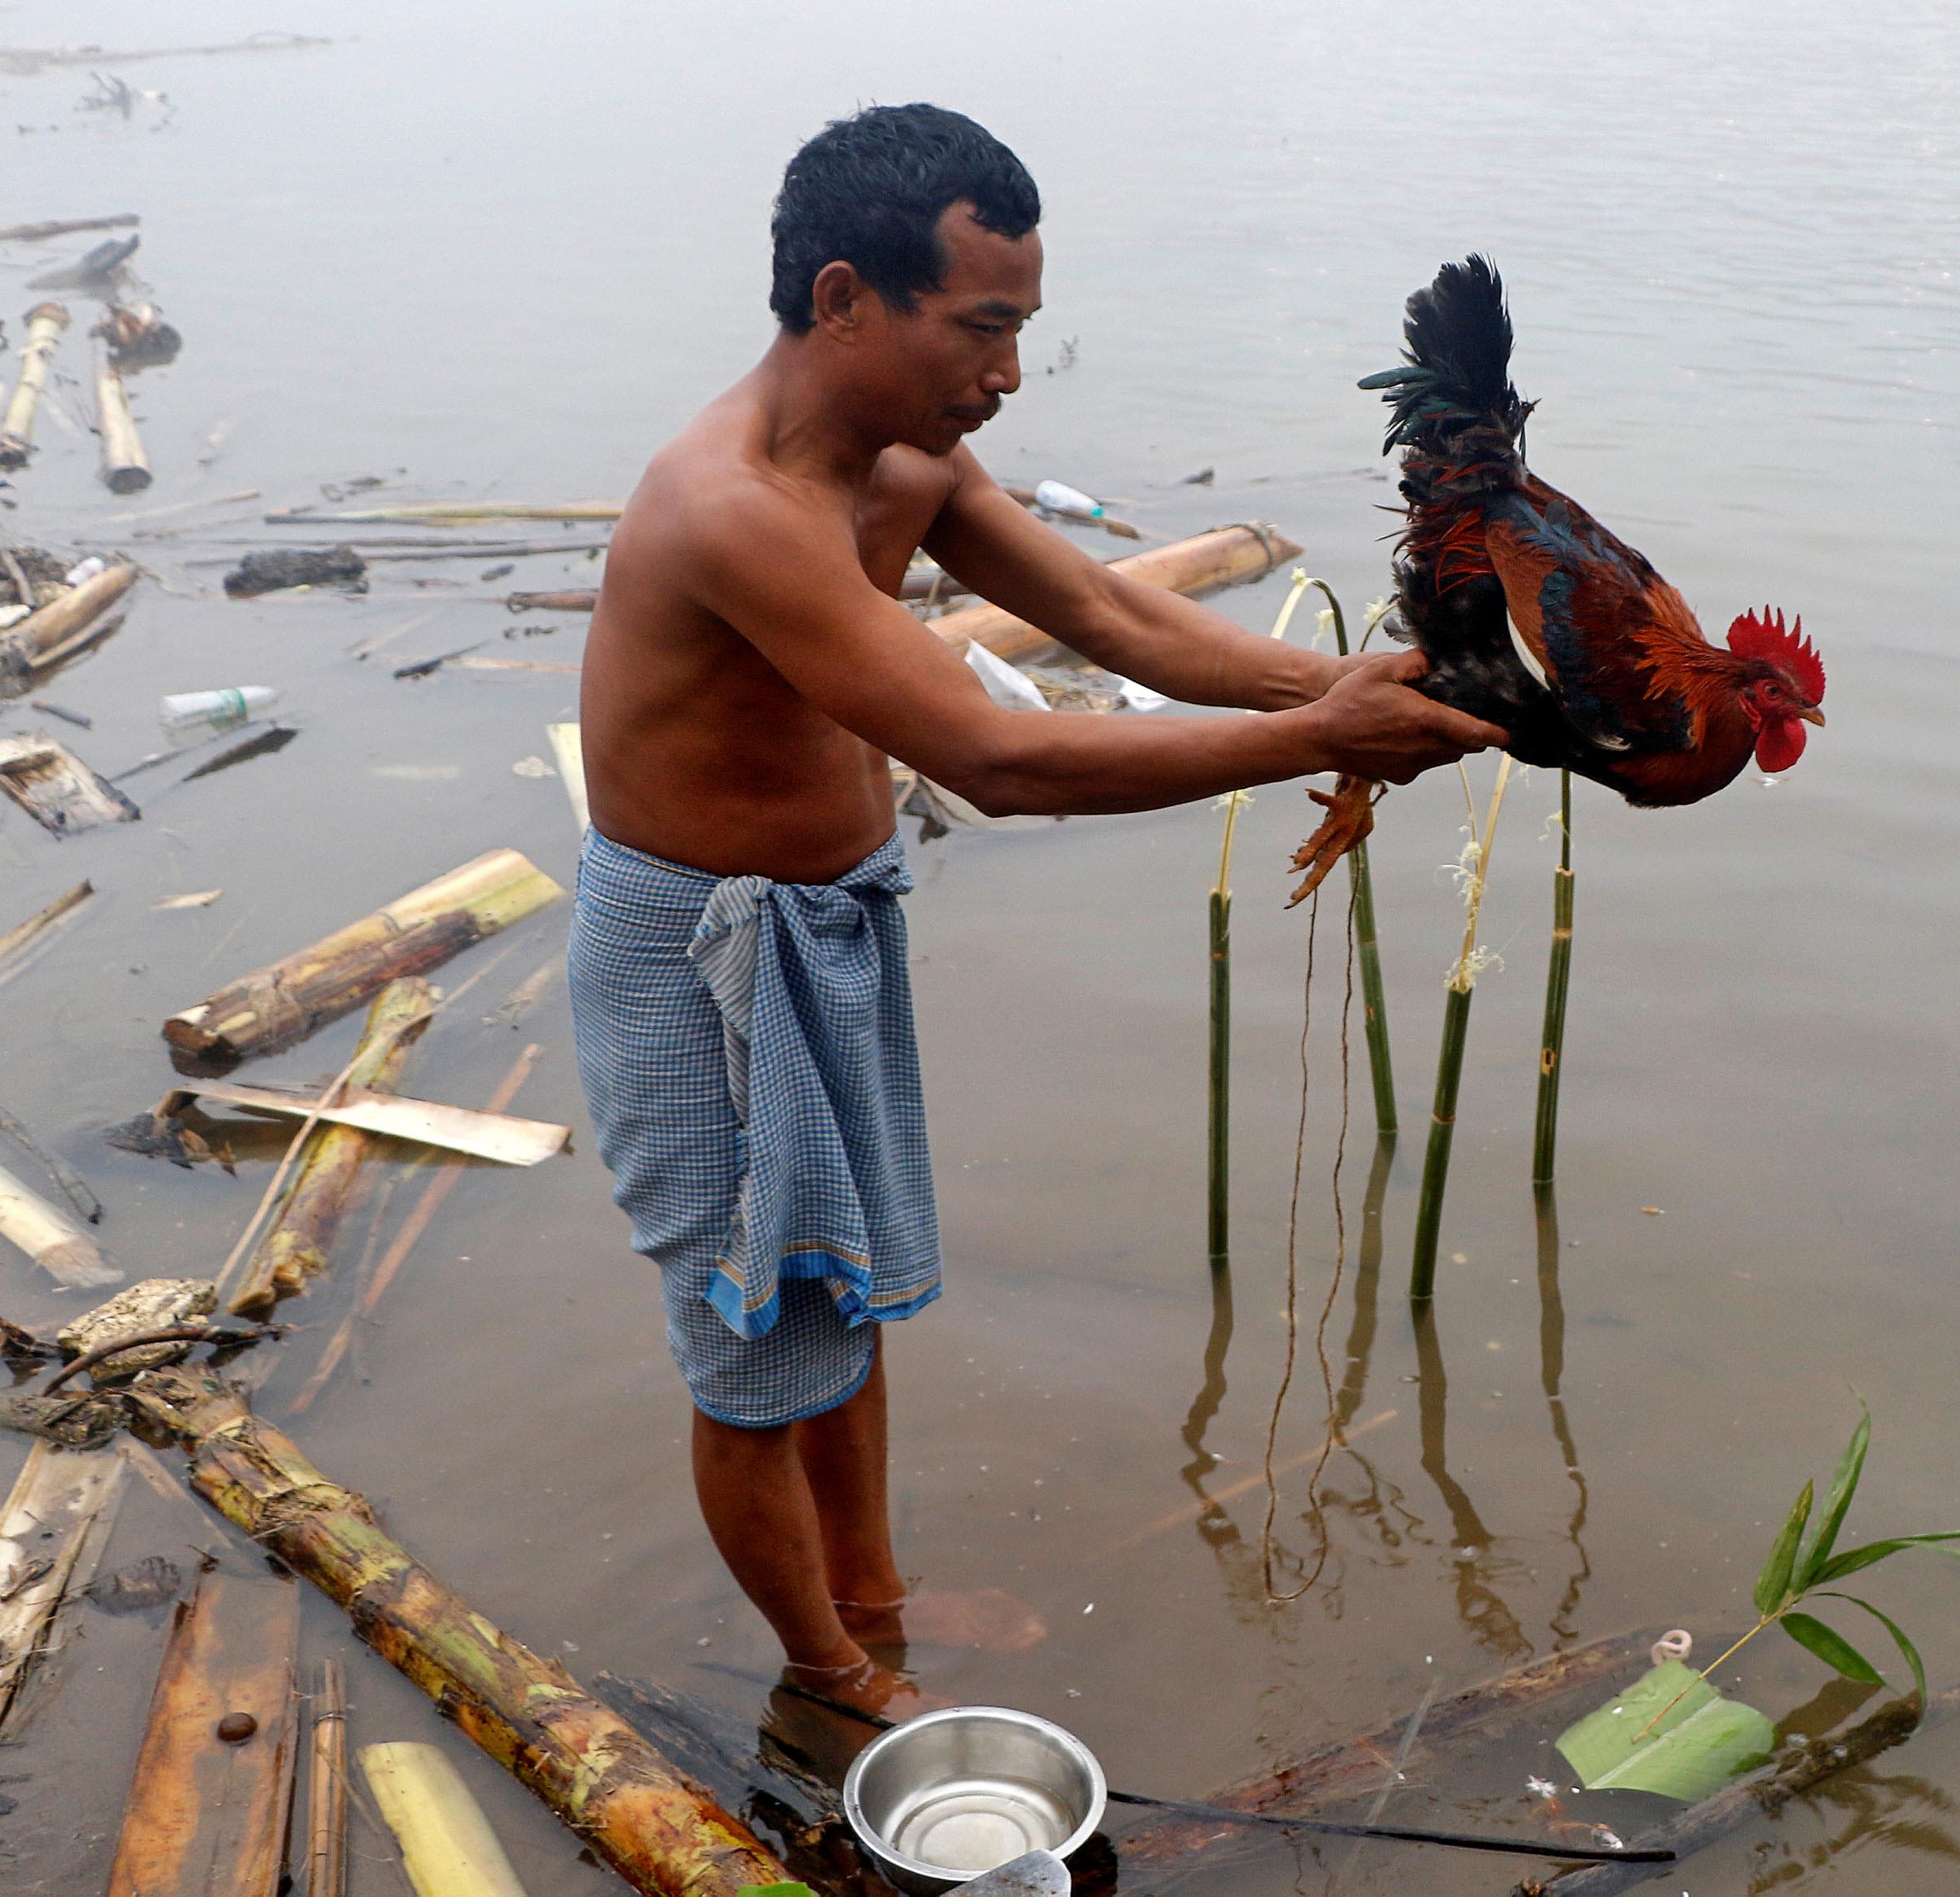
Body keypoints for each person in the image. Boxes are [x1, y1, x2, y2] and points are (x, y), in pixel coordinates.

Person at [568, 102, 1499, 1716]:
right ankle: (831, 1671)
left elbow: (1104, 611)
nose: (1005, 371)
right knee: (746, 1341)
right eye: (982, 326)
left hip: (835, 915)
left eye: (1021, 330)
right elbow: (997, 756)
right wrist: (1313, 739)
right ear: (846, 297)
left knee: (833, 1284)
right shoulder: (729, 506)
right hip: (693, 953)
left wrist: (1336, 682)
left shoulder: (908, 456)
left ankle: (869, 1592)